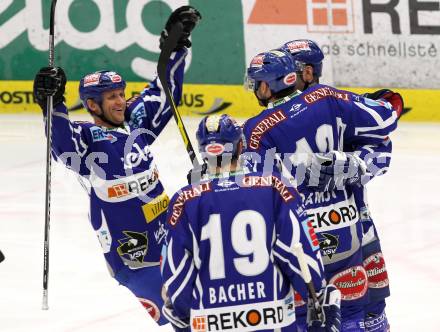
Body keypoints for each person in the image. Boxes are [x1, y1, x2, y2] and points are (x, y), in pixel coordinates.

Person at [32, 6, 201, 326]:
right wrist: (51, 103)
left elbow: (165, 94)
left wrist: (174, 47)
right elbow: (62, 145)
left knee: (208, 311)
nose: (121, 101)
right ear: (93, 105)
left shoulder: (135, 122)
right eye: (111, 97)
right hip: (135, 258)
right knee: (185, 319)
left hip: (172, 240)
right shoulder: (86, 140)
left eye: (121, 93)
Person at [242, 44, 402, 332]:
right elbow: (386, 119)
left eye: (259, 82)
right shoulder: (327, 98)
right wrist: (355, 163)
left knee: (308, 319)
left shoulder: (256, 129)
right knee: (359, 312)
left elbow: (256, 193)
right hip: (347, 226)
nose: (256, 88)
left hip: (300, 237)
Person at [161, 114, 341, 332]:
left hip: (211, 324)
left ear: (204, 152)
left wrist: (183, 312)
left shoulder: (184, 199)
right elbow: (298, 250)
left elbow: (176, 273)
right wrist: (316, 293)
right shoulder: (274, 186)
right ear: (240, 147)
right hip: (273, 320)